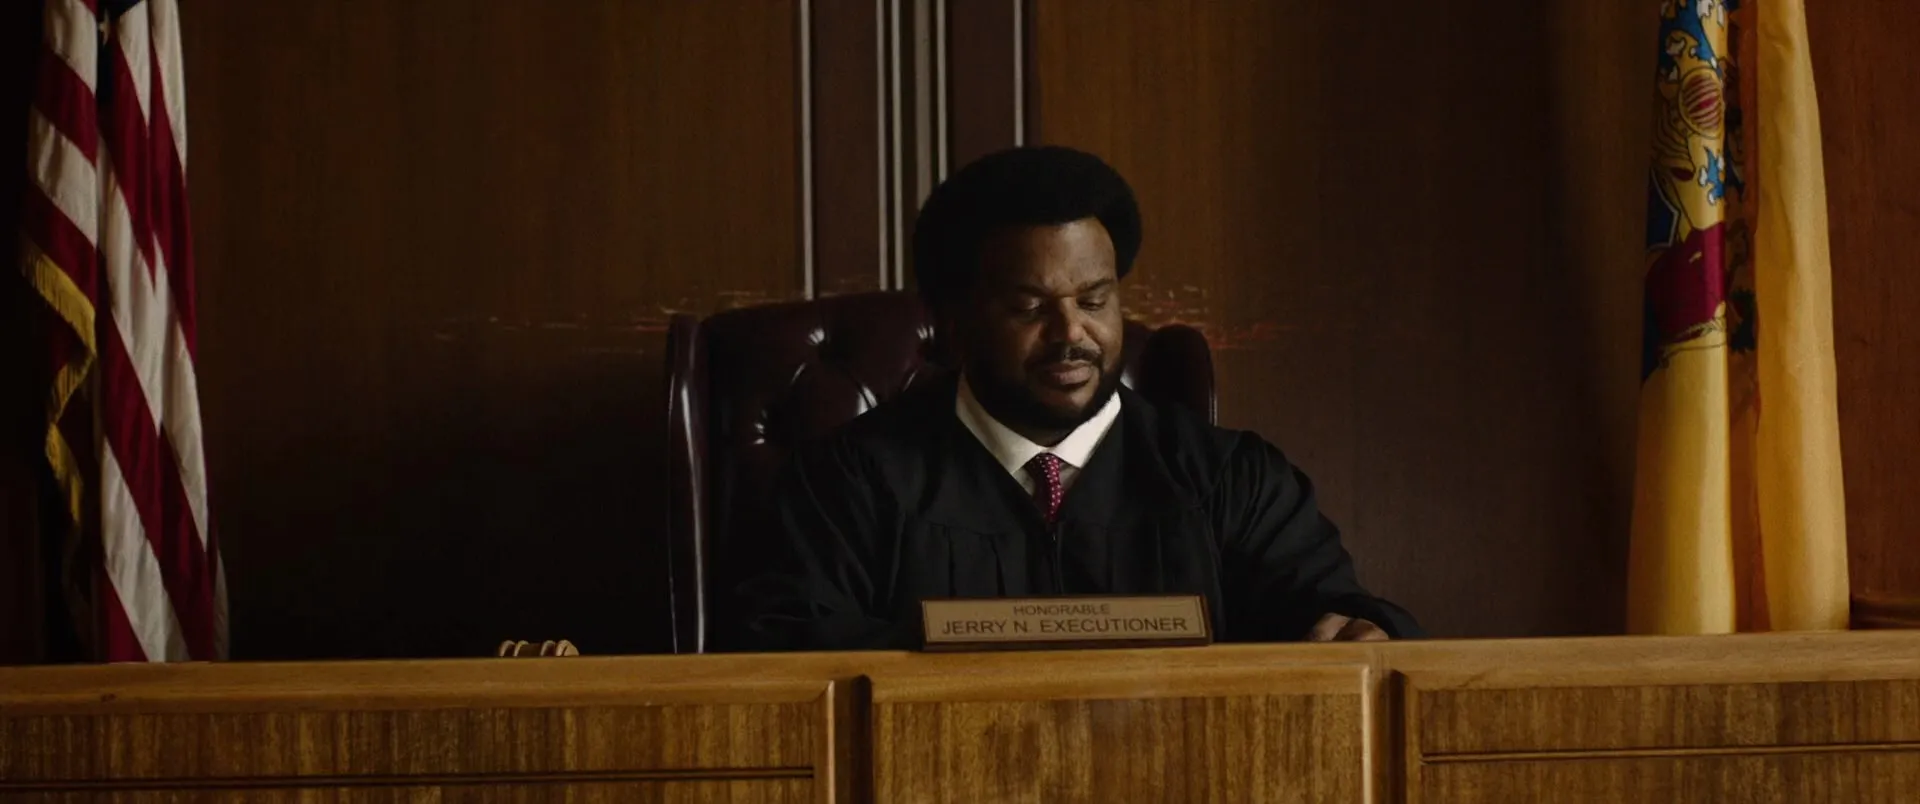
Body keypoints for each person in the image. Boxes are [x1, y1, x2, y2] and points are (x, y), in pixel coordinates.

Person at [724, 145, 1418, 651]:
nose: (1071, 335)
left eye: (1094, 300)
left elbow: (1339, 617)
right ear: (955, 325)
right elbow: (783, 648)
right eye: (1030, 307)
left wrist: (1366, 630)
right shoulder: (850, 483)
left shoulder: (1229, 479)